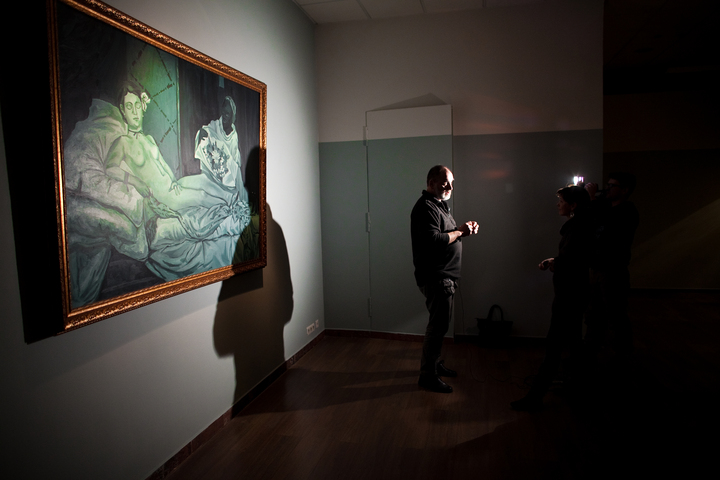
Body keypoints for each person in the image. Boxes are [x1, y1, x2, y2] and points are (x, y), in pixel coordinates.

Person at [511, 185, 592, 411]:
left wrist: (557, 264)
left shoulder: (577, 228)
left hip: (569, 295)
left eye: (561, 201)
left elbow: (573, 261)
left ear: (573, 205)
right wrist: (554, 261)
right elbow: (572, 257)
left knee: (554, 346)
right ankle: (577, 390)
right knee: (573, 343)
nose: (558, 204)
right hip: (574, 293)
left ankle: (536, 397)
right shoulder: (581, 225)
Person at [411, 165, 479, 393]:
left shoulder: (439, 205)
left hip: (444, 277)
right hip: (436, 277)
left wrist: (462, 230)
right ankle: (428, 376)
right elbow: (433, 240)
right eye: (445, 182)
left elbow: (445, 235)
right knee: (437, 327)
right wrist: (460, 231)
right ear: (431, 182)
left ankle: (435, 364)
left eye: (451, 182)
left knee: (440, 326)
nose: (450, 187)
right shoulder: (425, 207)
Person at [584, 172, 639, 368]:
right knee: (594, 314)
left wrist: (592, 198)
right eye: (607, 185)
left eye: (612, 186)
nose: (607, 188)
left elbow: (610, 226)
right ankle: (590, 353)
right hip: (597, 269)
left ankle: (622, 356)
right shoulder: (606, 207)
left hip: (613, 271)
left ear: (625, 190)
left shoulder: (627, 211)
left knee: (616, 314)